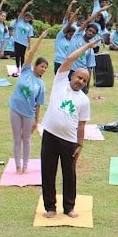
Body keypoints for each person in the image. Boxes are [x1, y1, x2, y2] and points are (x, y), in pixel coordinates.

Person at [40, 39, 99, 219]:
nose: (80, 81)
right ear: (72, 75)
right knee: (48, 172)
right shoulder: (60, 82)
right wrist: (88, 47)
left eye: (84, 80)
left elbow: (82, 125)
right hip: (50, 135)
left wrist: (80, 145)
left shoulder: (84, 100)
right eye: (79, 77)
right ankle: (50, 207)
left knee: (70, 175)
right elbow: (69, 58)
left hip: (69, 141)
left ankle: (69, 207)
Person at [9, 31, 49, 174]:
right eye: (41, 66)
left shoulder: (41, 85)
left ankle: (25, 166)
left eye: (45, 68)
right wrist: (40, 38)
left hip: (29, 114)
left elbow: (38, 104)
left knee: (26, 139)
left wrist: (36, 121)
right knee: (16, 139)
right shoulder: (26, 71)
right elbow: (31, 52)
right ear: (35, 66)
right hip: (15, 109)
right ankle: (17, 166)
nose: (43, 69)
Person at [13, 0, 35, 73]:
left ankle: (22, 68)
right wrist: (27, 5)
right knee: (17, 55)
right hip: (17, 41)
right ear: (24, 16)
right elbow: (22, 11)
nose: (27, 19)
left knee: (22, 55)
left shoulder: (30, 27)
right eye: (27, 17)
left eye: (29, 18)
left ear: (30, 19)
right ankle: (17, 68)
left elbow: (29, 37)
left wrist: (29, 45)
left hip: (24, 43)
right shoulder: (20, 21)